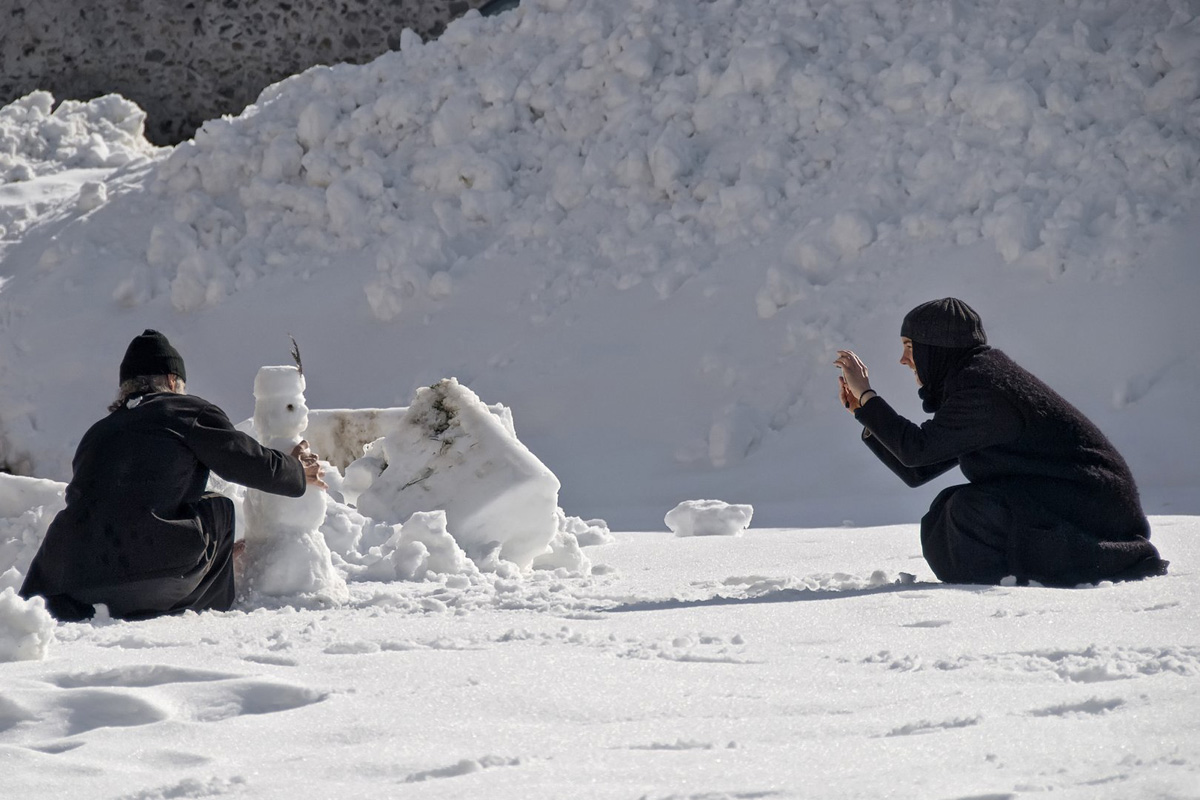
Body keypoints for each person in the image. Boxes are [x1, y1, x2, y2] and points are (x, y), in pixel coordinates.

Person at [834, 298, 1167, 587]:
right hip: (1072, 506)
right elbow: (919, 469)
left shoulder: (985, 389)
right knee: (949, 510)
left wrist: (867, 395)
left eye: (909, 347)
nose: (904, 360)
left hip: (1096, 517)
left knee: (969, 512)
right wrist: (863, 413)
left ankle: (1020, 581)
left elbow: (917, 451)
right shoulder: (976, 381)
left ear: (934, 350)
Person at [19, 329, 327, 621]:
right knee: (218, 507)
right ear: (171, 379)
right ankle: (211, 606)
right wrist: (295, 470)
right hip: (156, 576)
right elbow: (244, 461)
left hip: (78, 582)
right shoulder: (186, 412)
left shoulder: (97, 433)